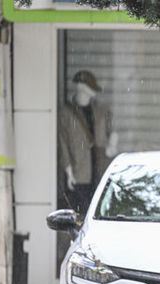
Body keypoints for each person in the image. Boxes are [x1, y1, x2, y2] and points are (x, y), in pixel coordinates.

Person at [58, 70, 118, 215]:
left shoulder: (101, 110)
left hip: (99, 165)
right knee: (80, 209)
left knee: (100, 206)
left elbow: (113, 131)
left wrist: (112, 145)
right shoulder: (66, 113)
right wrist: (68, 170)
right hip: (80, 169)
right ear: (81, 87)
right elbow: (63, 144)